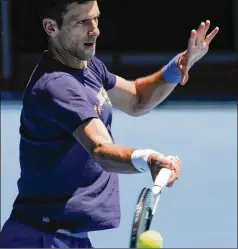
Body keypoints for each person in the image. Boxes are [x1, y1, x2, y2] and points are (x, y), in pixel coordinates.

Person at [0, 0, 219, 248]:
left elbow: (136, 98)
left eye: (96, 18)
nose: (95, 30)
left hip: (66, 236)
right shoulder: (56, 85)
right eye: (83, 22)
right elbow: (100, 150)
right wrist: (147, 158)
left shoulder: (88, 66)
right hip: (41, 238)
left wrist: (177, 67)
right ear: (51, 27)